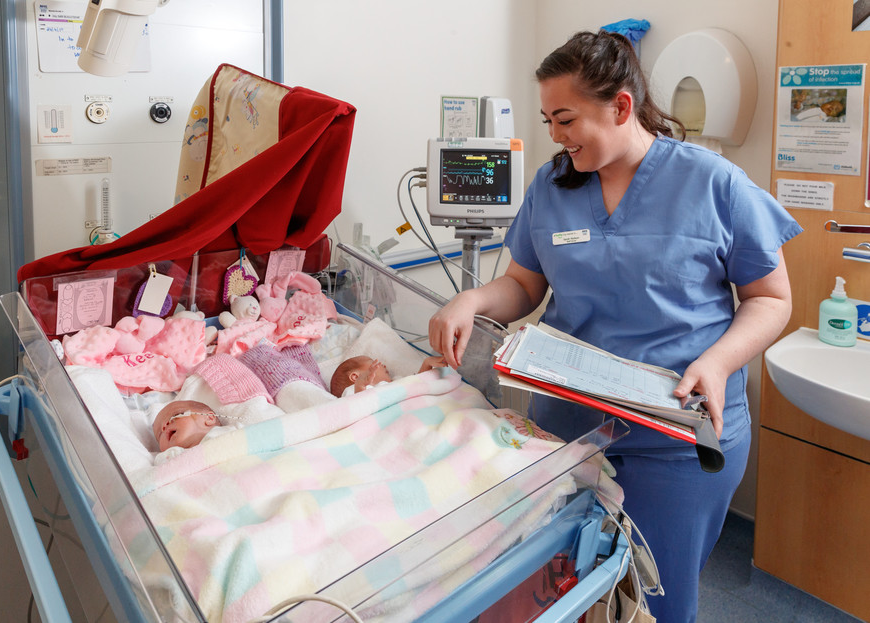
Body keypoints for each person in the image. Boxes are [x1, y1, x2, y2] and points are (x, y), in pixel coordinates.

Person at [428, 30, 801, 623]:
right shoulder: (553, 187)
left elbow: (771, 299)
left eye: (566, 118)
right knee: (561, 590)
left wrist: (720, 361)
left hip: (673, 435)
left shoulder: (714, 183)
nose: (554, 134)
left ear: (621, 106)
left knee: (653, 600)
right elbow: (526, 286)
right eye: (548, 119)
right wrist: (471, 300)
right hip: (567, 432)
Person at [330, 354, 447, 397]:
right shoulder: (352, 391)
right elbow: (360, 406)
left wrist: (427, 363)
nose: (383, 365)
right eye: (373, 362)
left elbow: (416, 384)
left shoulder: (395, 382)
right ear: (356, 377)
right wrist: (360, 386)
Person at [152, 399, 225, 453]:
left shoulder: (226, 434)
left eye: (175, 415)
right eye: (160, 434)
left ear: (209, 417)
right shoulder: (166, 460)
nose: (164, 427)